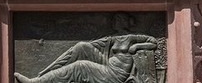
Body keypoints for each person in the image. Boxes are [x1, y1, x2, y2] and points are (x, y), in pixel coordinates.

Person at [13, 34, 158, 83]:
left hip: (116, 75)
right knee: (81, 46)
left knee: (80, 66)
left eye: (118, 20)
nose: (115, 22)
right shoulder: (115, 38)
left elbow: (153, 42)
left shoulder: (132, 38)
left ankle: (37, 82)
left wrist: (137, 46)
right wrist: (85, 47)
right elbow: (100, 43)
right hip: (108, 65)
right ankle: (47, 73)